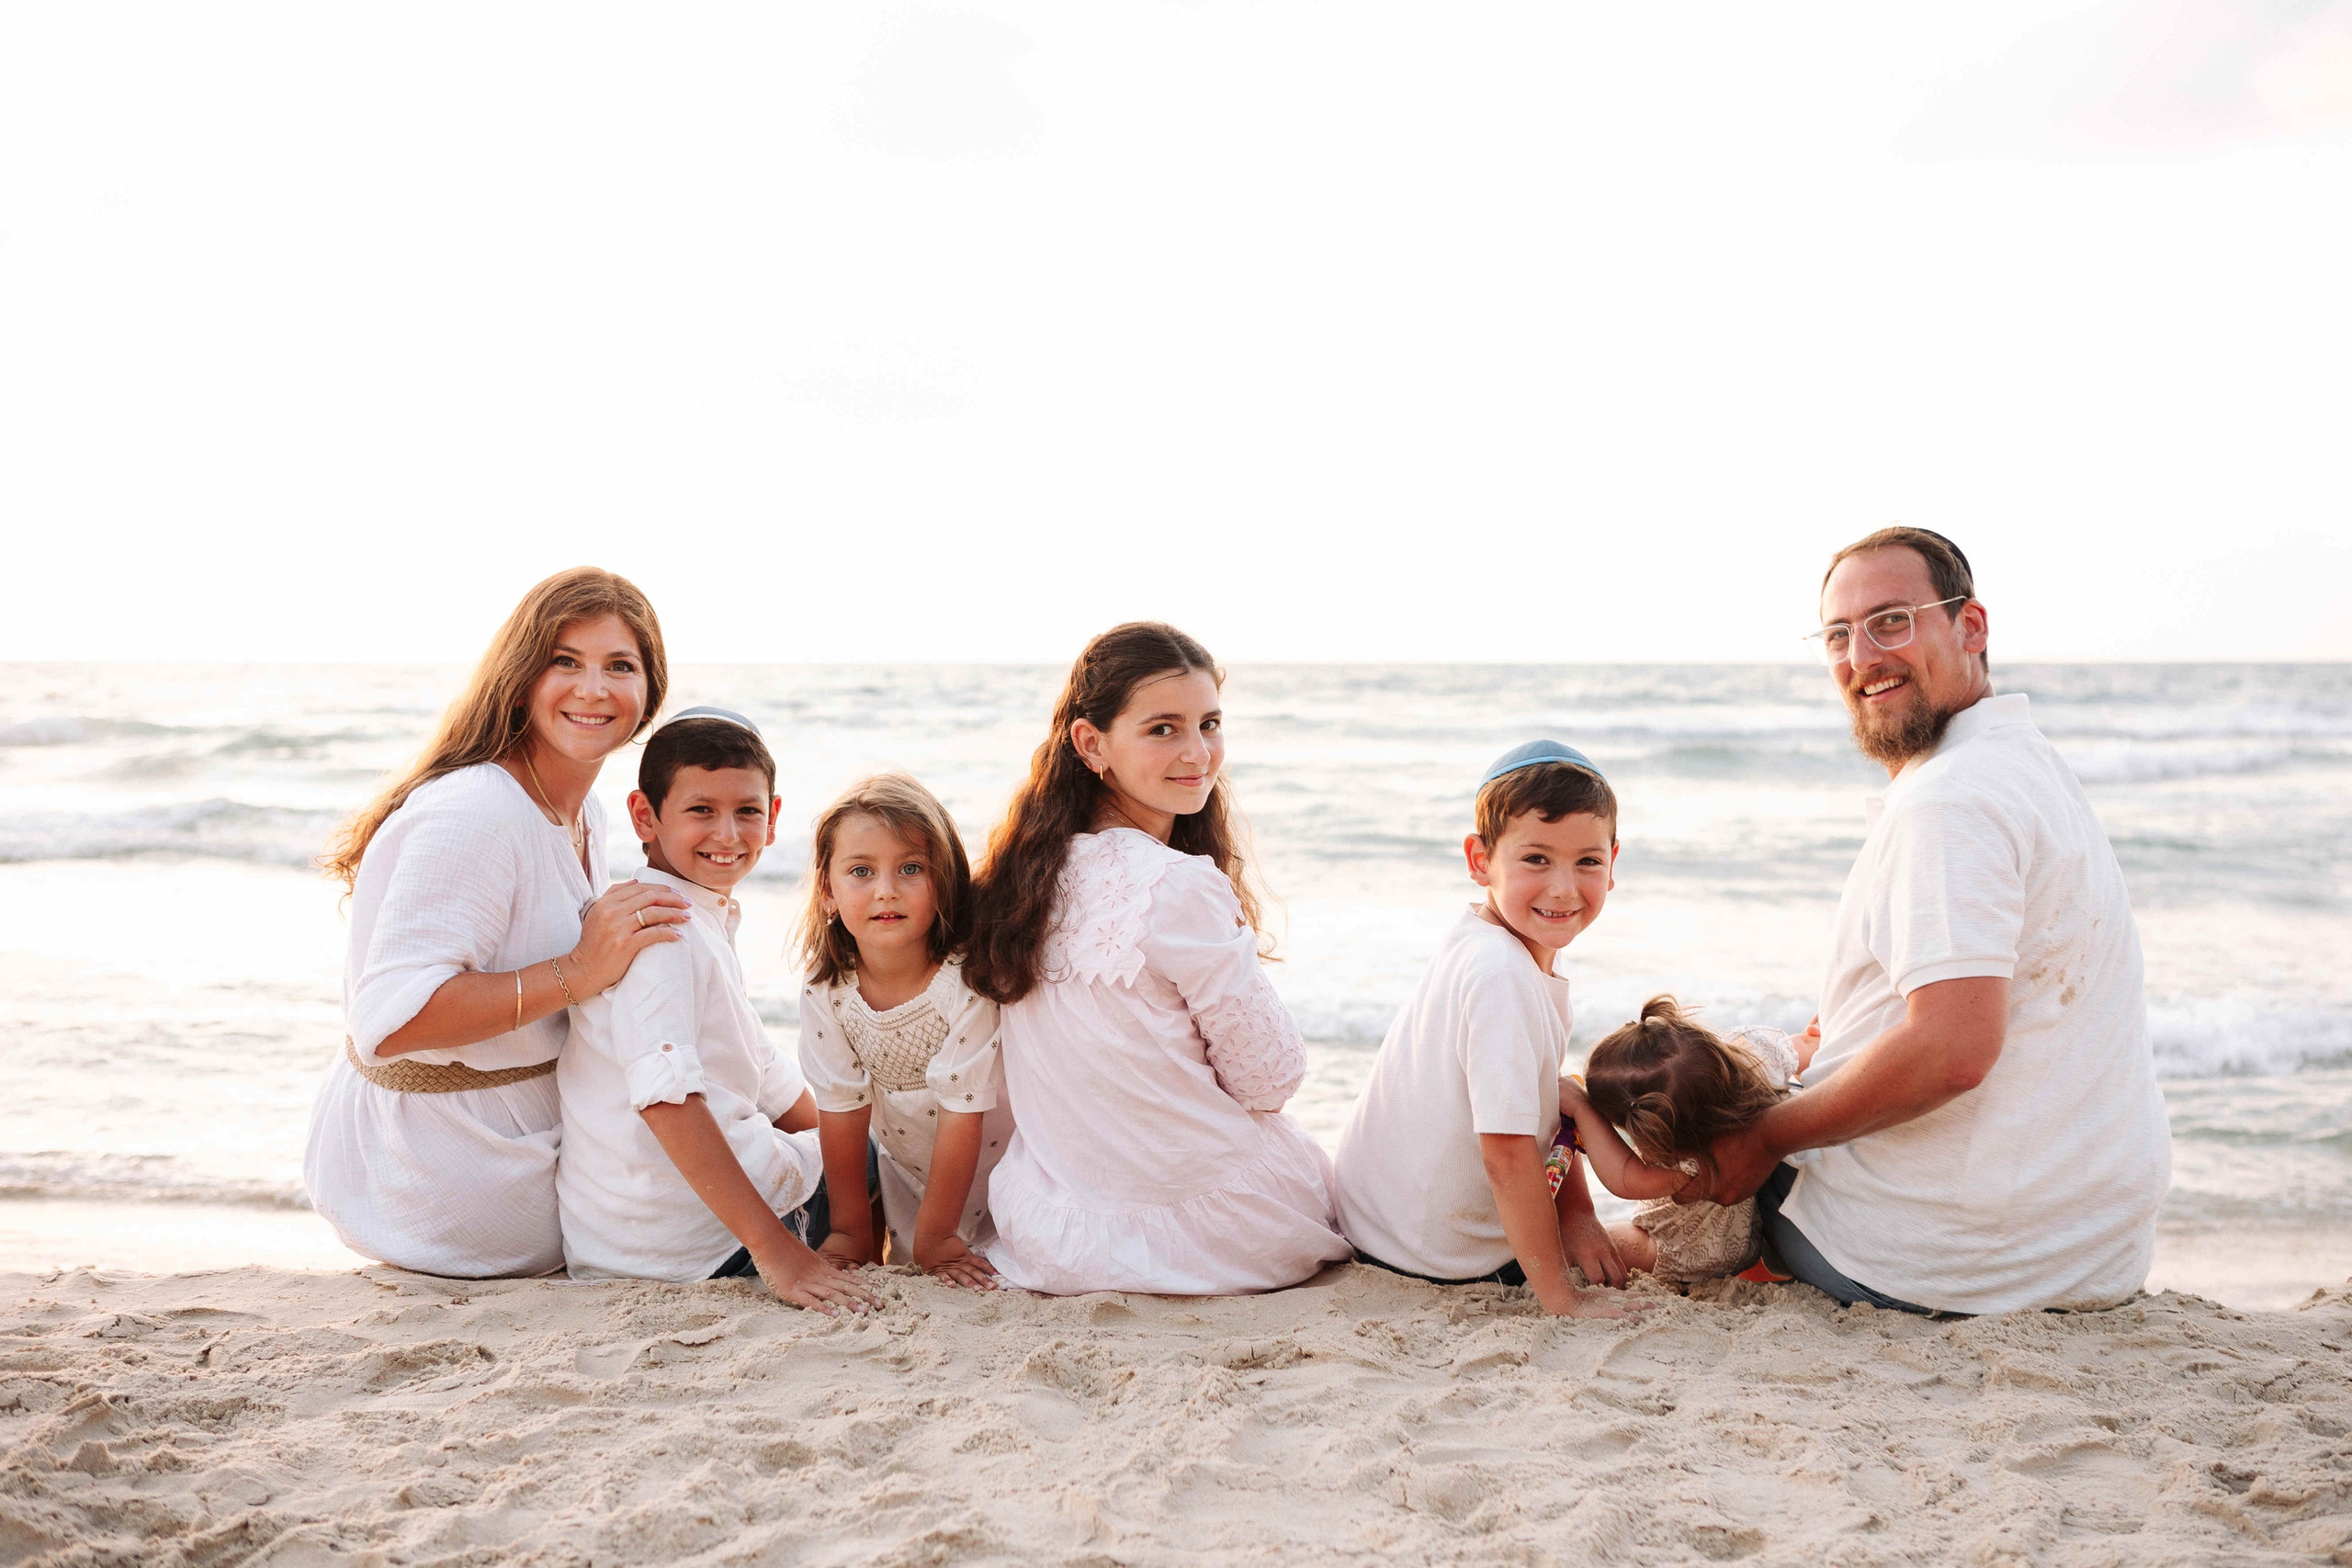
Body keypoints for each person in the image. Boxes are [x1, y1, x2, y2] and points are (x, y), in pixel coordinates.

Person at [1682, 526, 2172, 1314]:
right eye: (1838, 635)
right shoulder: (2025, 762)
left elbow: (1952, 1050)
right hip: (2091, 1251)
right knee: (1773, 1063)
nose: (1862, 656)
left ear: (1969, 627)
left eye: (1891, 621)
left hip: (1946, 1261)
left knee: (1680, 1085)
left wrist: (1767, 1138)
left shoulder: (1950, 801)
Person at [306, 568, 691, 1278]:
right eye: (565, 662)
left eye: (620, 666)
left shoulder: (583, 811)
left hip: (523, 1134)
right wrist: (577, 972)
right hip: (451, 1175)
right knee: (739, 1198)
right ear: (522, 675)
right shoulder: (480, 811)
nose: (593, 688)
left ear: (650, 692)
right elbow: (390, 1020)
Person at [963, 622, 1352, 1296]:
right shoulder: (1178, 883)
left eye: (1210, 723)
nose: (1198, 752)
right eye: (1163, 728)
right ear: (1091, 744)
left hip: (1053, 1230)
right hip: (1209, 1235)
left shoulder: (1017, 881)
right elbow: (1271, 1078)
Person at [554, 710, 876, 1314]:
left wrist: (841, 1137)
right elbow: (666, 1099)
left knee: (860, 1138)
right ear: (645, 816)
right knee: (875, 1159)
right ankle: (848, 1269)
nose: (727, 834)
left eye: (747, 811)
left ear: (773, 818)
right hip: (687, 1248)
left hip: (639, 1236)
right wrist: (778, 1251)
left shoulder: (694, 916)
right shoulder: (663, 931)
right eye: (701, 810)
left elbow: (765, 1073)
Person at [1333, 741, 1636, 1318]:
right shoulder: (1501, 975)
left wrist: (1578, 1214)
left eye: (1588, 862)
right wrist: (1560, 1297)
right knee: (1653, 1248)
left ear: (1613, 863)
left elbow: (1539, 1100)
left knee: (1605, 1235)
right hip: (1431, 1254)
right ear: (1480, 861)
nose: (1564, 889)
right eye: (1536, 860)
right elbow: (1506, 1152)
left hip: (1382, 1225)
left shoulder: (1499, 943)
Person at [797, 773, 1011, 1288]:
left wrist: (937, 1240)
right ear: (828, 890)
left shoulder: (966, 983)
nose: (886, 891)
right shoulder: (828, 989)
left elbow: (964, 1113)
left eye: (911, 868)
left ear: (944, 881)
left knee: (983, 1263)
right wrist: (849, 1231)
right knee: (909, 1261)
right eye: (861, 871)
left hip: (997, 1157)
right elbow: (841, 1110)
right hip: (909, 1162)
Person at [1560, 997, 1813, 1284]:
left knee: (1615, 1244)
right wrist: (1818, 1040)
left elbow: (1626, 1177)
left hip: (1693, 1249)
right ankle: (1761, 1272)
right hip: (1751, 1228)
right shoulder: (1752, 1060)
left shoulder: (1689, 1164)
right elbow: (1803, 1049)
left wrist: (1583, 1110)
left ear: (1653, 1131)